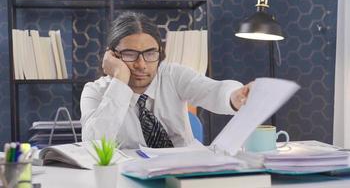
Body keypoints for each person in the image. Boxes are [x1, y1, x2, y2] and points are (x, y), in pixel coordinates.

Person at [80, 11, 251, 149]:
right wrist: (120, 79)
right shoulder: (94, 91)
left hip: (184, 170)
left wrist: (234, 96)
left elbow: (214, 90)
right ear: (112, 56)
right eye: (129, 54)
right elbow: (92, 144)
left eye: (150, 53)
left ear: (160, 52)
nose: (141, 64)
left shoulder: (173, 75)